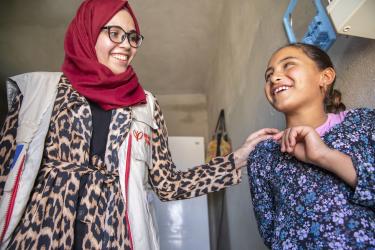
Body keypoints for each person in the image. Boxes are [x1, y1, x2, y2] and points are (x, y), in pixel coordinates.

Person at [0, 0, 279, 249]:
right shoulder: (37, 91)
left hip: (113, 237)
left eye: (133, 37)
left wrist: (237, 159)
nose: (127, 45)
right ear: (87, 32)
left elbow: (169, 184)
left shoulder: (145, 105)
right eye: (114, 33)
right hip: (38, 236)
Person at [247, 42, 375, 249]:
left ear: (325, 77)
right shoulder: (263, 154)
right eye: (268, 75)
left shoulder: (363, 122)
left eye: (288, 65)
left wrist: (324, 156)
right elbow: (271, 234)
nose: (273, 77)